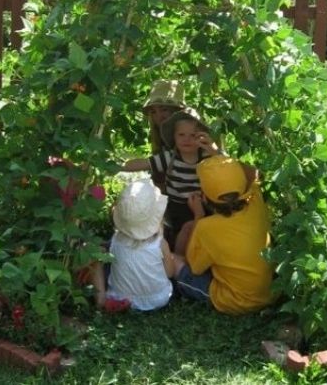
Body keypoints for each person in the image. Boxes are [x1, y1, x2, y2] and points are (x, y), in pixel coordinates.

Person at [172, 155, 274, 315]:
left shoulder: (206, 227)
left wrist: (198, 215)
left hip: (237, 301)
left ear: (204, 196)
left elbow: (195, 268)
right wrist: (218, 152)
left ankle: (173, 287)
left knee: (175, 261)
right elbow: (254, 174)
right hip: (270, 294)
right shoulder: (256, 200)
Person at [122, 108, 219, 249]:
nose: (187, 139)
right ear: (174, 137)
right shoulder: (170, 156)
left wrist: (214, 151)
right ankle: (178, 259)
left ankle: (195, 254)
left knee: (203, 232)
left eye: (193, 135)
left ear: (201, 137)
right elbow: (145, 163)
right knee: (182, 232)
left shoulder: (206, 156)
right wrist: (118, 167)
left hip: (201, 204)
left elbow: (227, 164)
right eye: (181, 135)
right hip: (176, 205)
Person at [90, 178, 177, 311]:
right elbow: (170, 273)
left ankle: (100, 298)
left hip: (119, 297)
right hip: (157, 299)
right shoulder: (159, 243)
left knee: (97, 257)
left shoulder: (116, 240)